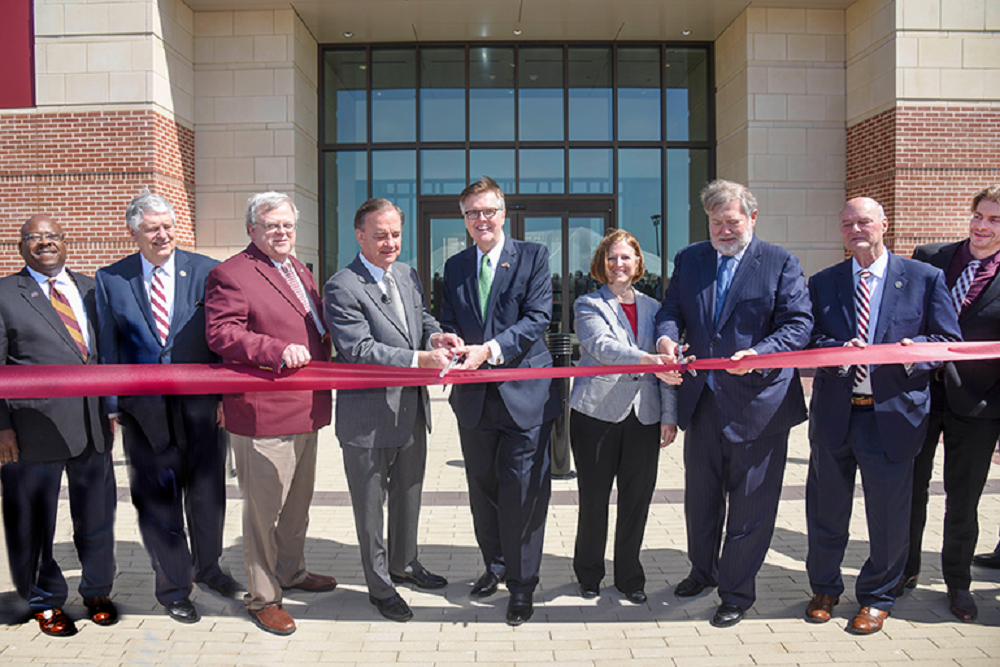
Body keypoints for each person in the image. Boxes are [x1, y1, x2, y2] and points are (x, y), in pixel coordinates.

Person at [654, 179, 812, 628]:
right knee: (700, 501)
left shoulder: (780, 262)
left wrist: (760, 355)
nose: (724, 229)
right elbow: (671, 310)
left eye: (732, 221)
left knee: (750, 506)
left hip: (759, 404)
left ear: (752, 219)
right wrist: (666, 338)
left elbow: (799, 324)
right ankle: (702, 572)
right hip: (701, 401)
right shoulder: (691, 259)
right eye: (716, 221)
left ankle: (737, 592)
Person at [805, 197, 961, 635]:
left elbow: (947, 339)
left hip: (893, 416)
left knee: (889, 516)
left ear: (884, 225)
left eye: (864, 221)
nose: (856, 229)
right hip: (837, 412)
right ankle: (824, 588)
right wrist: (835, 354)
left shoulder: (924, 278)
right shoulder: (824, 282)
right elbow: (810, 334)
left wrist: (913, 357)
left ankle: (877, 597)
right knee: (825, 509)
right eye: (847, 223)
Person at [96, 191, 240, 625]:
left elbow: (220, 339)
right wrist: (111, 407)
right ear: (133, 232)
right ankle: (174, 587)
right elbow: (108, 347)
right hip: (144, 411)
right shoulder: (111, 279)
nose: (163, 235)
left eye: (167, 227)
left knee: (208, 495)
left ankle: (210, 568)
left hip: (202, 407)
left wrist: (223, 397)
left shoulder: (206, 271)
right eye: (152, 229)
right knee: (159, 501)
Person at [324, 198, 463, 622]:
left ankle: (405, 564)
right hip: (367, 417)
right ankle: (380, 586)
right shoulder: (342, 285)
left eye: (396, 234)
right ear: (360, 235)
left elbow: (421, 319)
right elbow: (358, 349)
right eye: (380, 234)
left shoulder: (405, 274)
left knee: (409, 494)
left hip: (410, 411)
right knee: (370, 508)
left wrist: (438, 338)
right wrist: (418, 360)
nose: (390, 242)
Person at [205, 191, 336, 636]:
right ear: (252, 230)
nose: (282, 233)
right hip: (263, 413)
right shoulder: (231, 273)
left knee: (297, 505)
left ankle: (292, 570)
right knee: (263, 513)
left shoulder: (299, 269)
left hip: (308, 407)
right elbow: (222, 334)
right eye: (271, 226)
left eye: (287, 226)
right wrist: (277, 350)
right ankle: (263, 597)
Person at [440, 176, 561, 626]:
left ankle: (523, 585)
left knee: (523, 494)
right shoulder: (455, 267)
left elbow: (538, 319)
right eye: (472, 212)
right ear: (465, 218)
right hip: (473, 400)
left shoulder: (533, 257)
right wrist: (447, 338)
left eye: (488, 210)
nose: (481, 220)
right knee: (483, 489)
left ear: (503, 212)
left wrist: (488, 350)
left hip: (525, 398)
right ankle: (496, 565)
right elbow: (449, 318)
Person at [0, 216, 117, 637]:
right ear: (21, 247)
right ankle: (45, 600)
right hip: (31, 430)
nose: (45, 243)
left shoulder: (92, 289)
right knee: (34, 521)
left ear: (66, 244)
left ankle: (97, 590)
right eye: (34, 238)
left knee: (97, 515)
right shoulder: (3, 294)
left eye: (52, 237)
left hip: (91, 426)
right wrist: (1, 428)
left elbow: (107, 355)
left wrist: (113, 407)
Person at [902, 185, 1000, 622]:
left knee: (963, 498)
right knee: (909, 490)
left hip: (980, 401)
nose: (982, 226)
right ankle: (903, 571)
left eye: (995, 220)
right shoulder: (931, 256)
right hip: (920, 394)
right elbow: (903, 311)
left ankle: (957, 583)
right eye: (979, 215)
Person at [568, 230, 680, 604]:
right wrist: (648, 360)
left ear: (637, 263)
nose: (619, 264)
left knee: (637, 500)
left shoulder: (654, 307)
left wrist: (669, 415)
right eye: (612, 257)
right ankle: (588, 573)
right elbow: (600, 346)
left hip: (644, 416)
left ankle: (629, 577)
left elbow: (666, 365)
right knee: (594, 499)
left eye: (626, 257)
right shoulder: (588, 303)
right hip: (596, 415)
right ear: (602, 263)